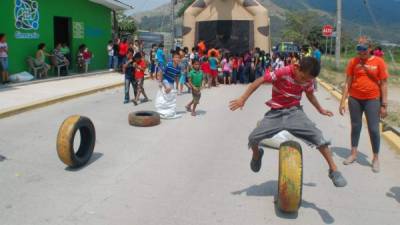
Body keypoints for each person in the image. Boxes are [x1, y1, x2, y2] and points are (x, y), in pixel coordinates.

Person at [229, 57, 347, 187]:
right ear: (297, 68)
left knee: (318, 137)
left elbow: (310, 94)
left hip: (294, 112)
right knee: (253, 138)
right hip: (276, 113)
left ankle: (334, 169)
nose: (305, 81)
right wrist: (243, 99)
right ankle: (257, 155)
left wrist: (320, 109)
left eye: (308, 80)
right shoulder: (283, 72)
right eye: (303, 78)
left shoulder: (308, 79)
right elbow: (260, 80)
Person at [339, 41, 389, 173]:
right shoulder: (353, 62)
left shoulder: (379, 62)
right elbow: (348, 81)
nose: (362, 54)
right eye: (359, 51)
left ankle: (375, 158)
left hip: (372, 99)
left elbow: (384, 84)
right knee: (356, 127)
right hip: (355, 99)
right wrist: (342, 101)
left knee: (373, 129)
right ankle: (353, 154)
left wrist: (384, 104)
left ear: (370, 49)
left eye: (364, 51)